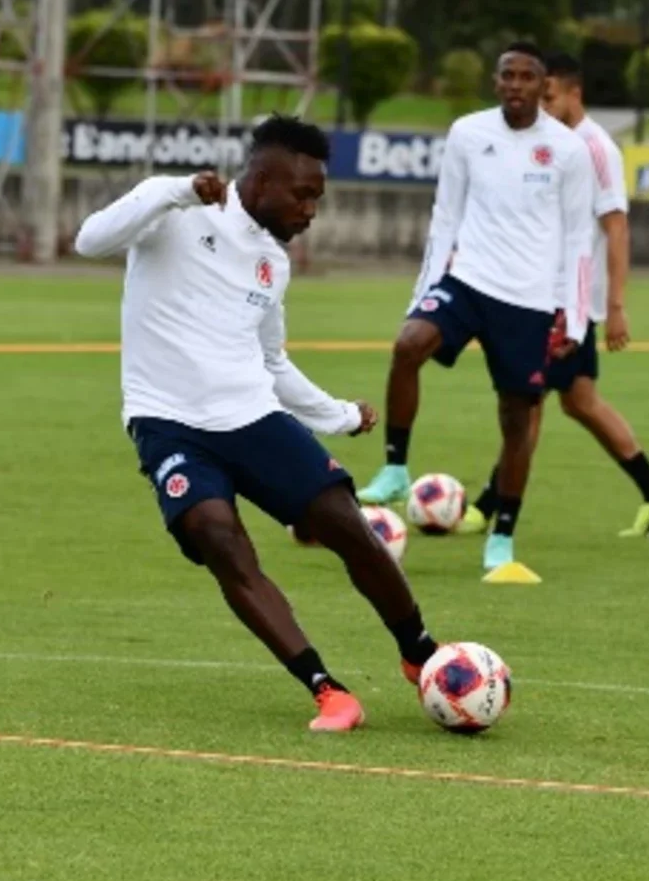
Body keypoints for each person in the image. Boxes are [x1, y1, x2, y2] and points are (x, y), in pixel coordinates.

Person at [74, 115, 441, 733]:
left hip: (252, 417)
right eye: (303, 195)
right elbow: (89, 240)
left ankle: (420, 653)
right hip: (166, 423)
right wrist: (180, 191)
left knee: (343, 524)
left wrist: (339, 415)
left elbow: (271, 362)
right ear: (263, 178)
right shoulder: (175, 205)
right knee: (219, 537)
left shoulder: (273, 262)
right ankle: (327, 691)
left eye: (318, 198)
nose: (311, 210)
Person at [356, 43, 594, 580]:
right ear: (495, 83)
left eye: (526, 76)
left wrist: (573, 318)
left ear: (543, 85)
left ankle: (501, 541)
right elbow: (446, 218)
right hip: (468, 281)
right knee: (407, 344)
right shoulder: (468, 133)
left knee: (516, 420)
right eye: (506, 75)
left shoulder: (567, 150)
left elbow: (580, 239)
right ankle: (395, 467)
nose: (515, 84)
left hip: (529, 301)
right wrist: (424, 291)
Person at [463, 52, 649, 540]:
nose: (538, 105)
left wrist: (617, 308)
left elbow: (617, 226)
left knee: (529, 405)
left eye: (548, 96)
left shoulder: (594, 148)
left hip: (568, 307)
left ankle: (486, 507)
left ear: (572, 93)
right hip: (545, 297)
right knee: (579, 402)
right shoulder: (548, 143)